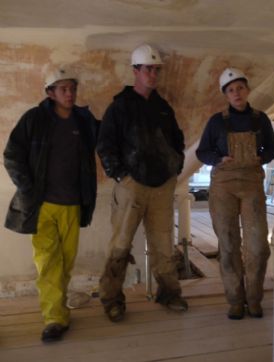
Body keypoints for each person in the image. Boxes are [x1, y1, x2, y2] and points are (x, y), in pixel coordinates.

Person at [3, 67, 99, 343]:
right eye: (63, 89)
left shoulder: (83, 120)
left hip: (73, 205)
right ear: (50, 93)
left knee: (65, 263)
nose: (69, 94)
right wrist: (29, 188)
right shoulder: (34, 119)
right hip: (42, 206)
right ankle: (54, 319)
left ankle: (59, 311)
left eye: (72, 88)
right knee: (48, 263)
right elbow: (12, 155)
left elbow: (105, 138)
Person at [97, 44, 187, 322]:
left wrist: (175, 169)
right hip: (131, 186)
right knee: (120, 245)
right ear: (135, 71)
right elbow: (105, 145)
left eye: (156, 69)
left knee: (163, 244)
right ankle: (112, 299)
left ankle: (169, 293)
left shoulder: (162, 108)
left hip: (162, 187)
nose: (153, 74)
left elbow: (178, 142)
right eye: (148, 69)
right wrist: (121, 176)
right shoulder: (120, 107)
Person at [196, 68, 274, 320]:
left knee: (257, 245)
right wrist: (219, 158)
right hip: (224, 185)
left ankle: (253, 299)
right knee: (229, 245)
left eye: (240, 88)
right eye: (231, 90)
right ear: (226, 95)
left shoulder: (260, 119)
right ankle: (234, 300)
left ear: (247, 90)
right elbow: (202, 152)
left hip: (251, 183)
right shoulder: (216, 121)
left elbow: (271, 149)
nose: (236, 93)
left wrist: (261, 157)